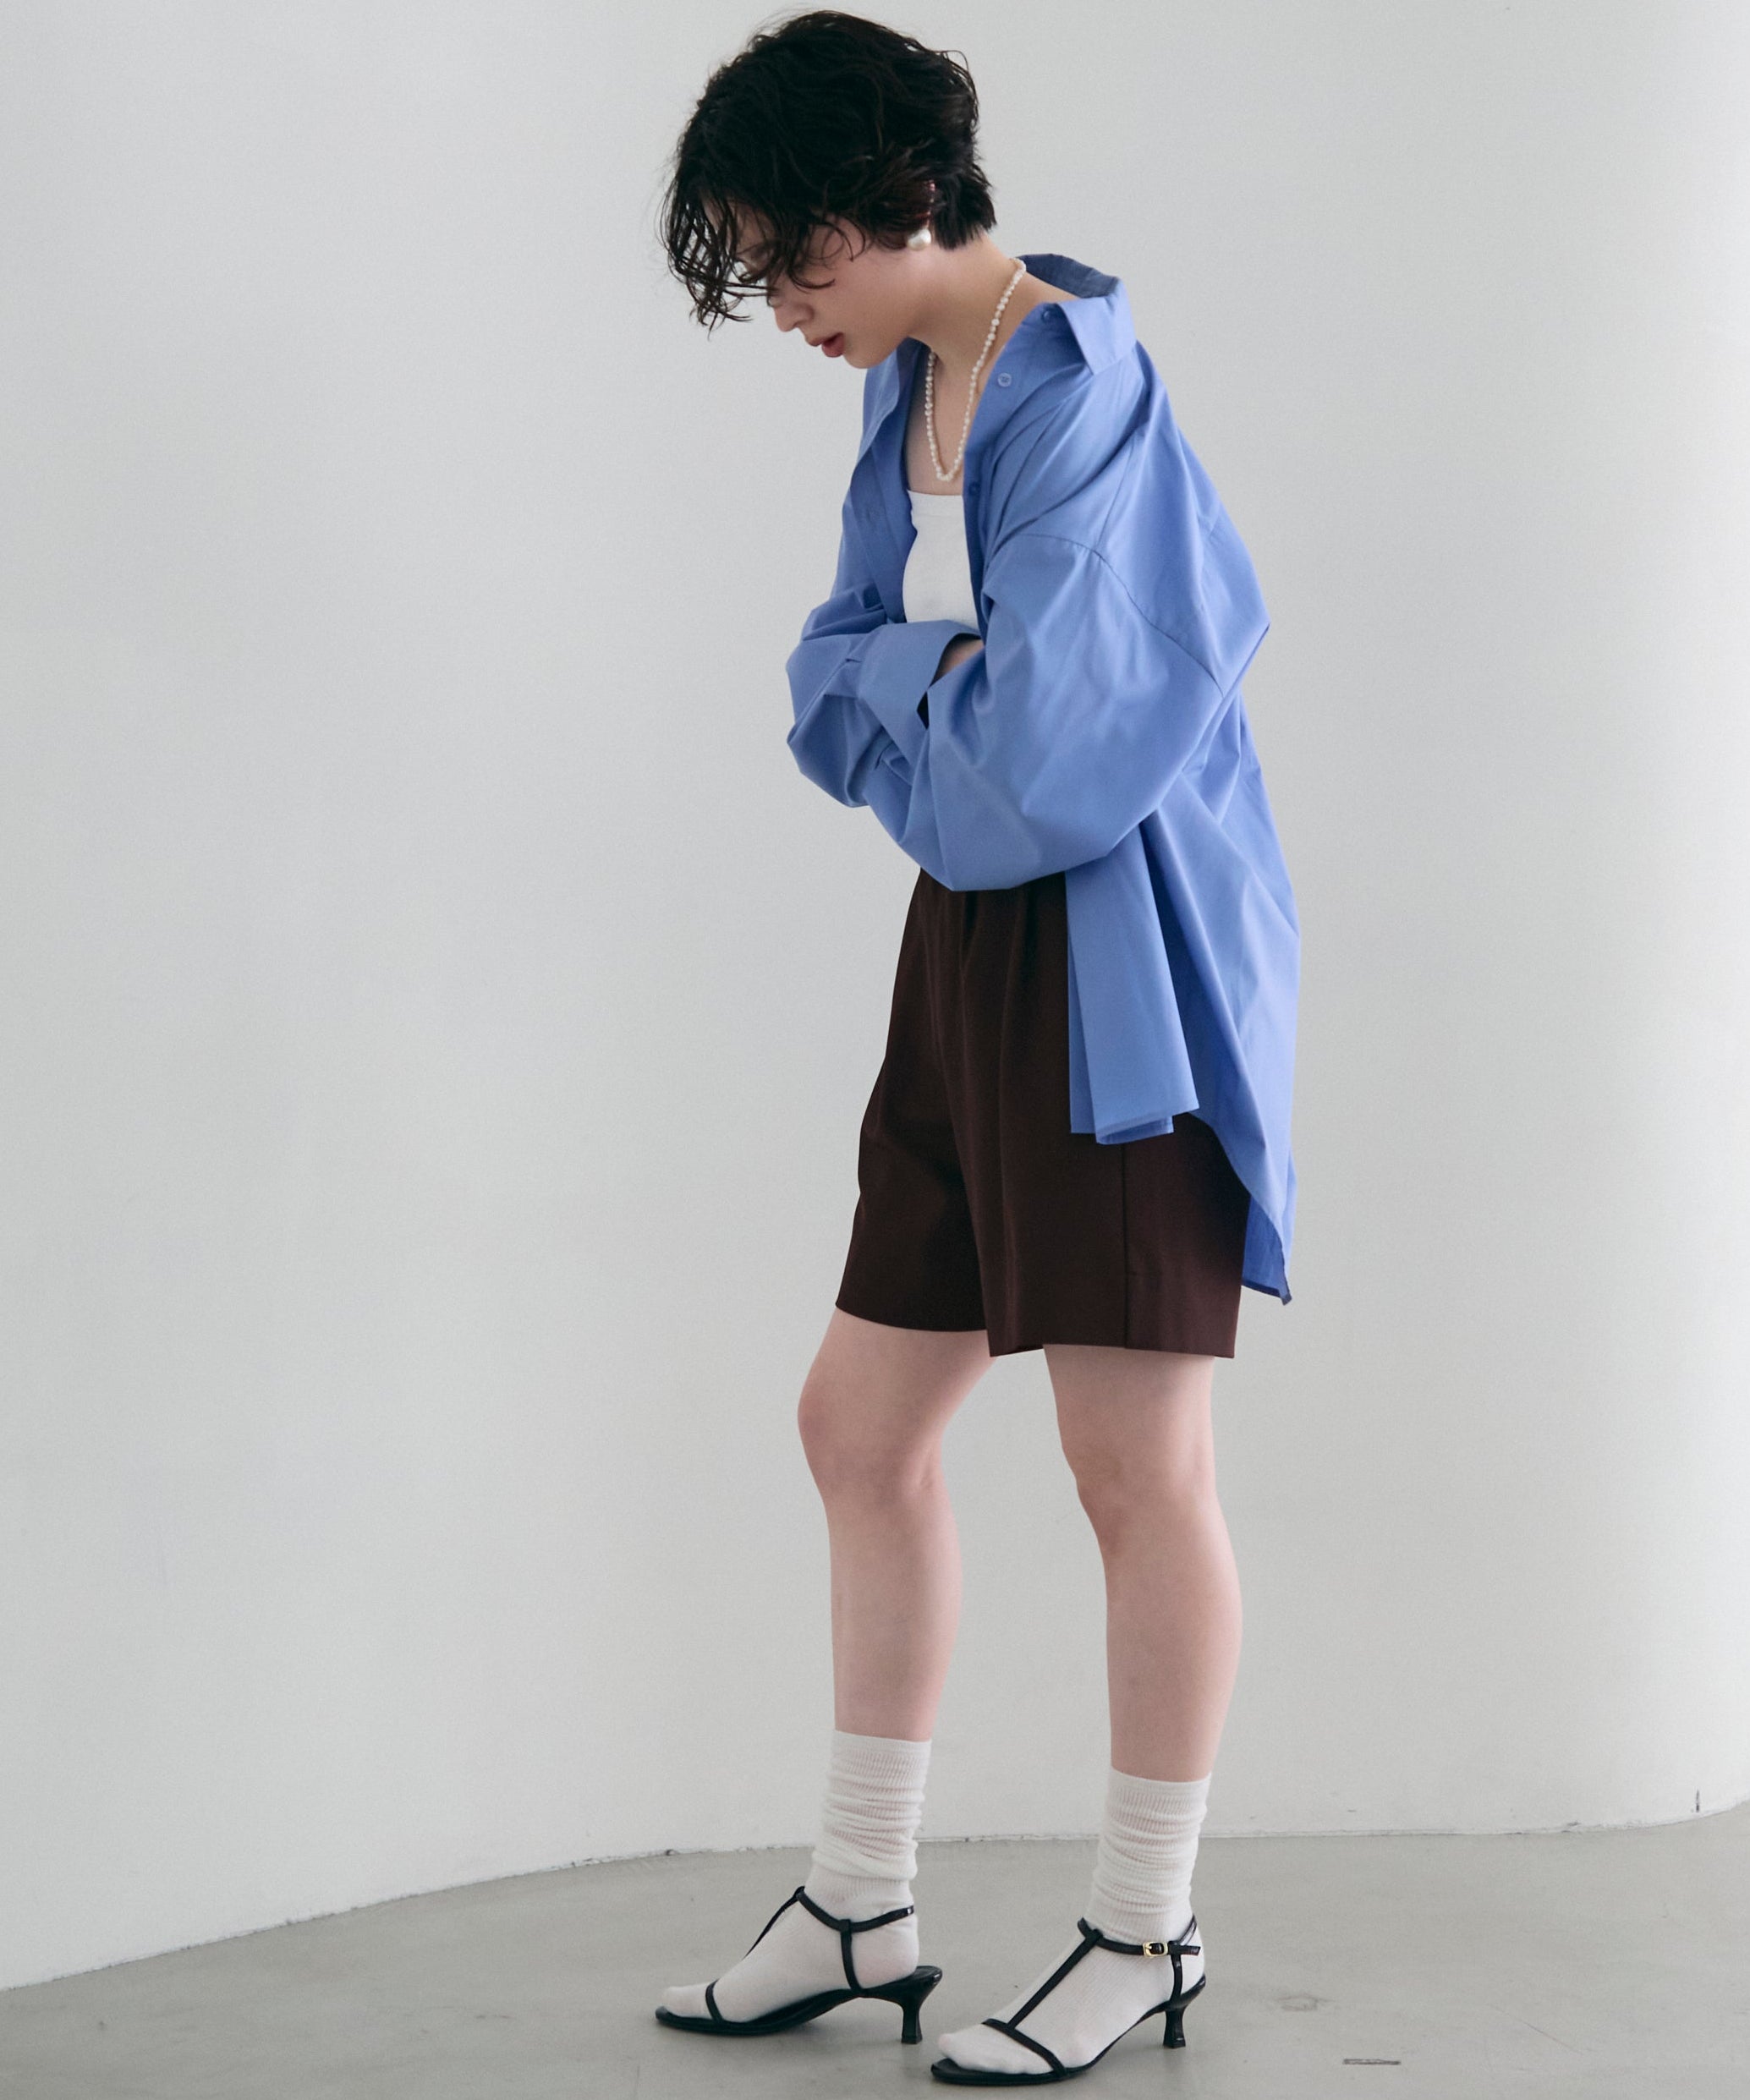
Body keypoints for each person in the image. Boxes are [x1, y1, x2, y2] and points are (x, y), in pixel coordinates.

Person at [651, 11, 1299, 2084]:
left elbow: (1044, 769)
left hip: (1121, 971)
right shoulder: (908, 387)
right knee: (860, 1424)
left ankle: (1146, 1930)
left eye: (790, 256)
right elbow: (839, 685)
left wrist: (910, 686)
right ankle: (863, 1898)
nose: (781, 306)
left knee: (1133, 1468)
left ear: (891, 199)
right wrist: (938, 678)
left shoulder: (1074, 384)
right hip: (971, 953)